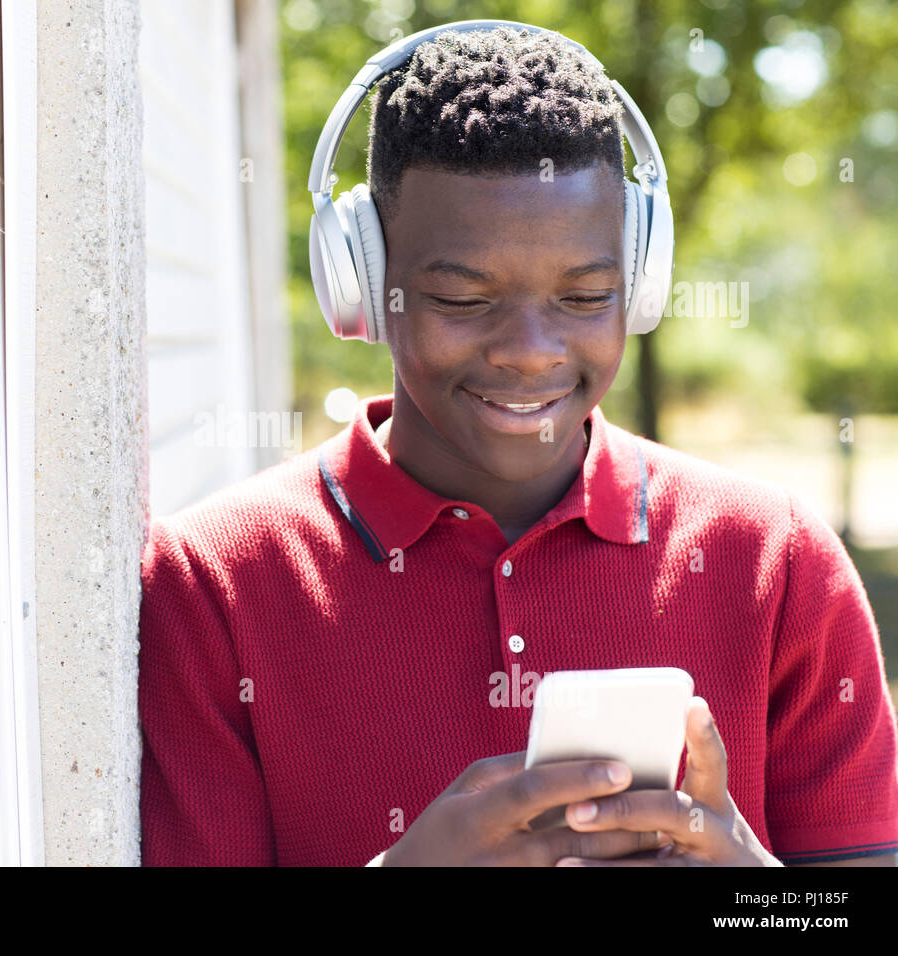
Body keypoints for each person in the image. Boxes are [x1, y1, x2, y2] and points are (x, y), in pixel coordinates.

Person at [137, 23, 898, 866]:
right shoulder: (209, 584)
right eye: (463, 301)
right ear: (361, 285)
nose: (530, 350)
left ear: (639, 284)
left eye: (586, 296)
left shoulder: (779, 564)